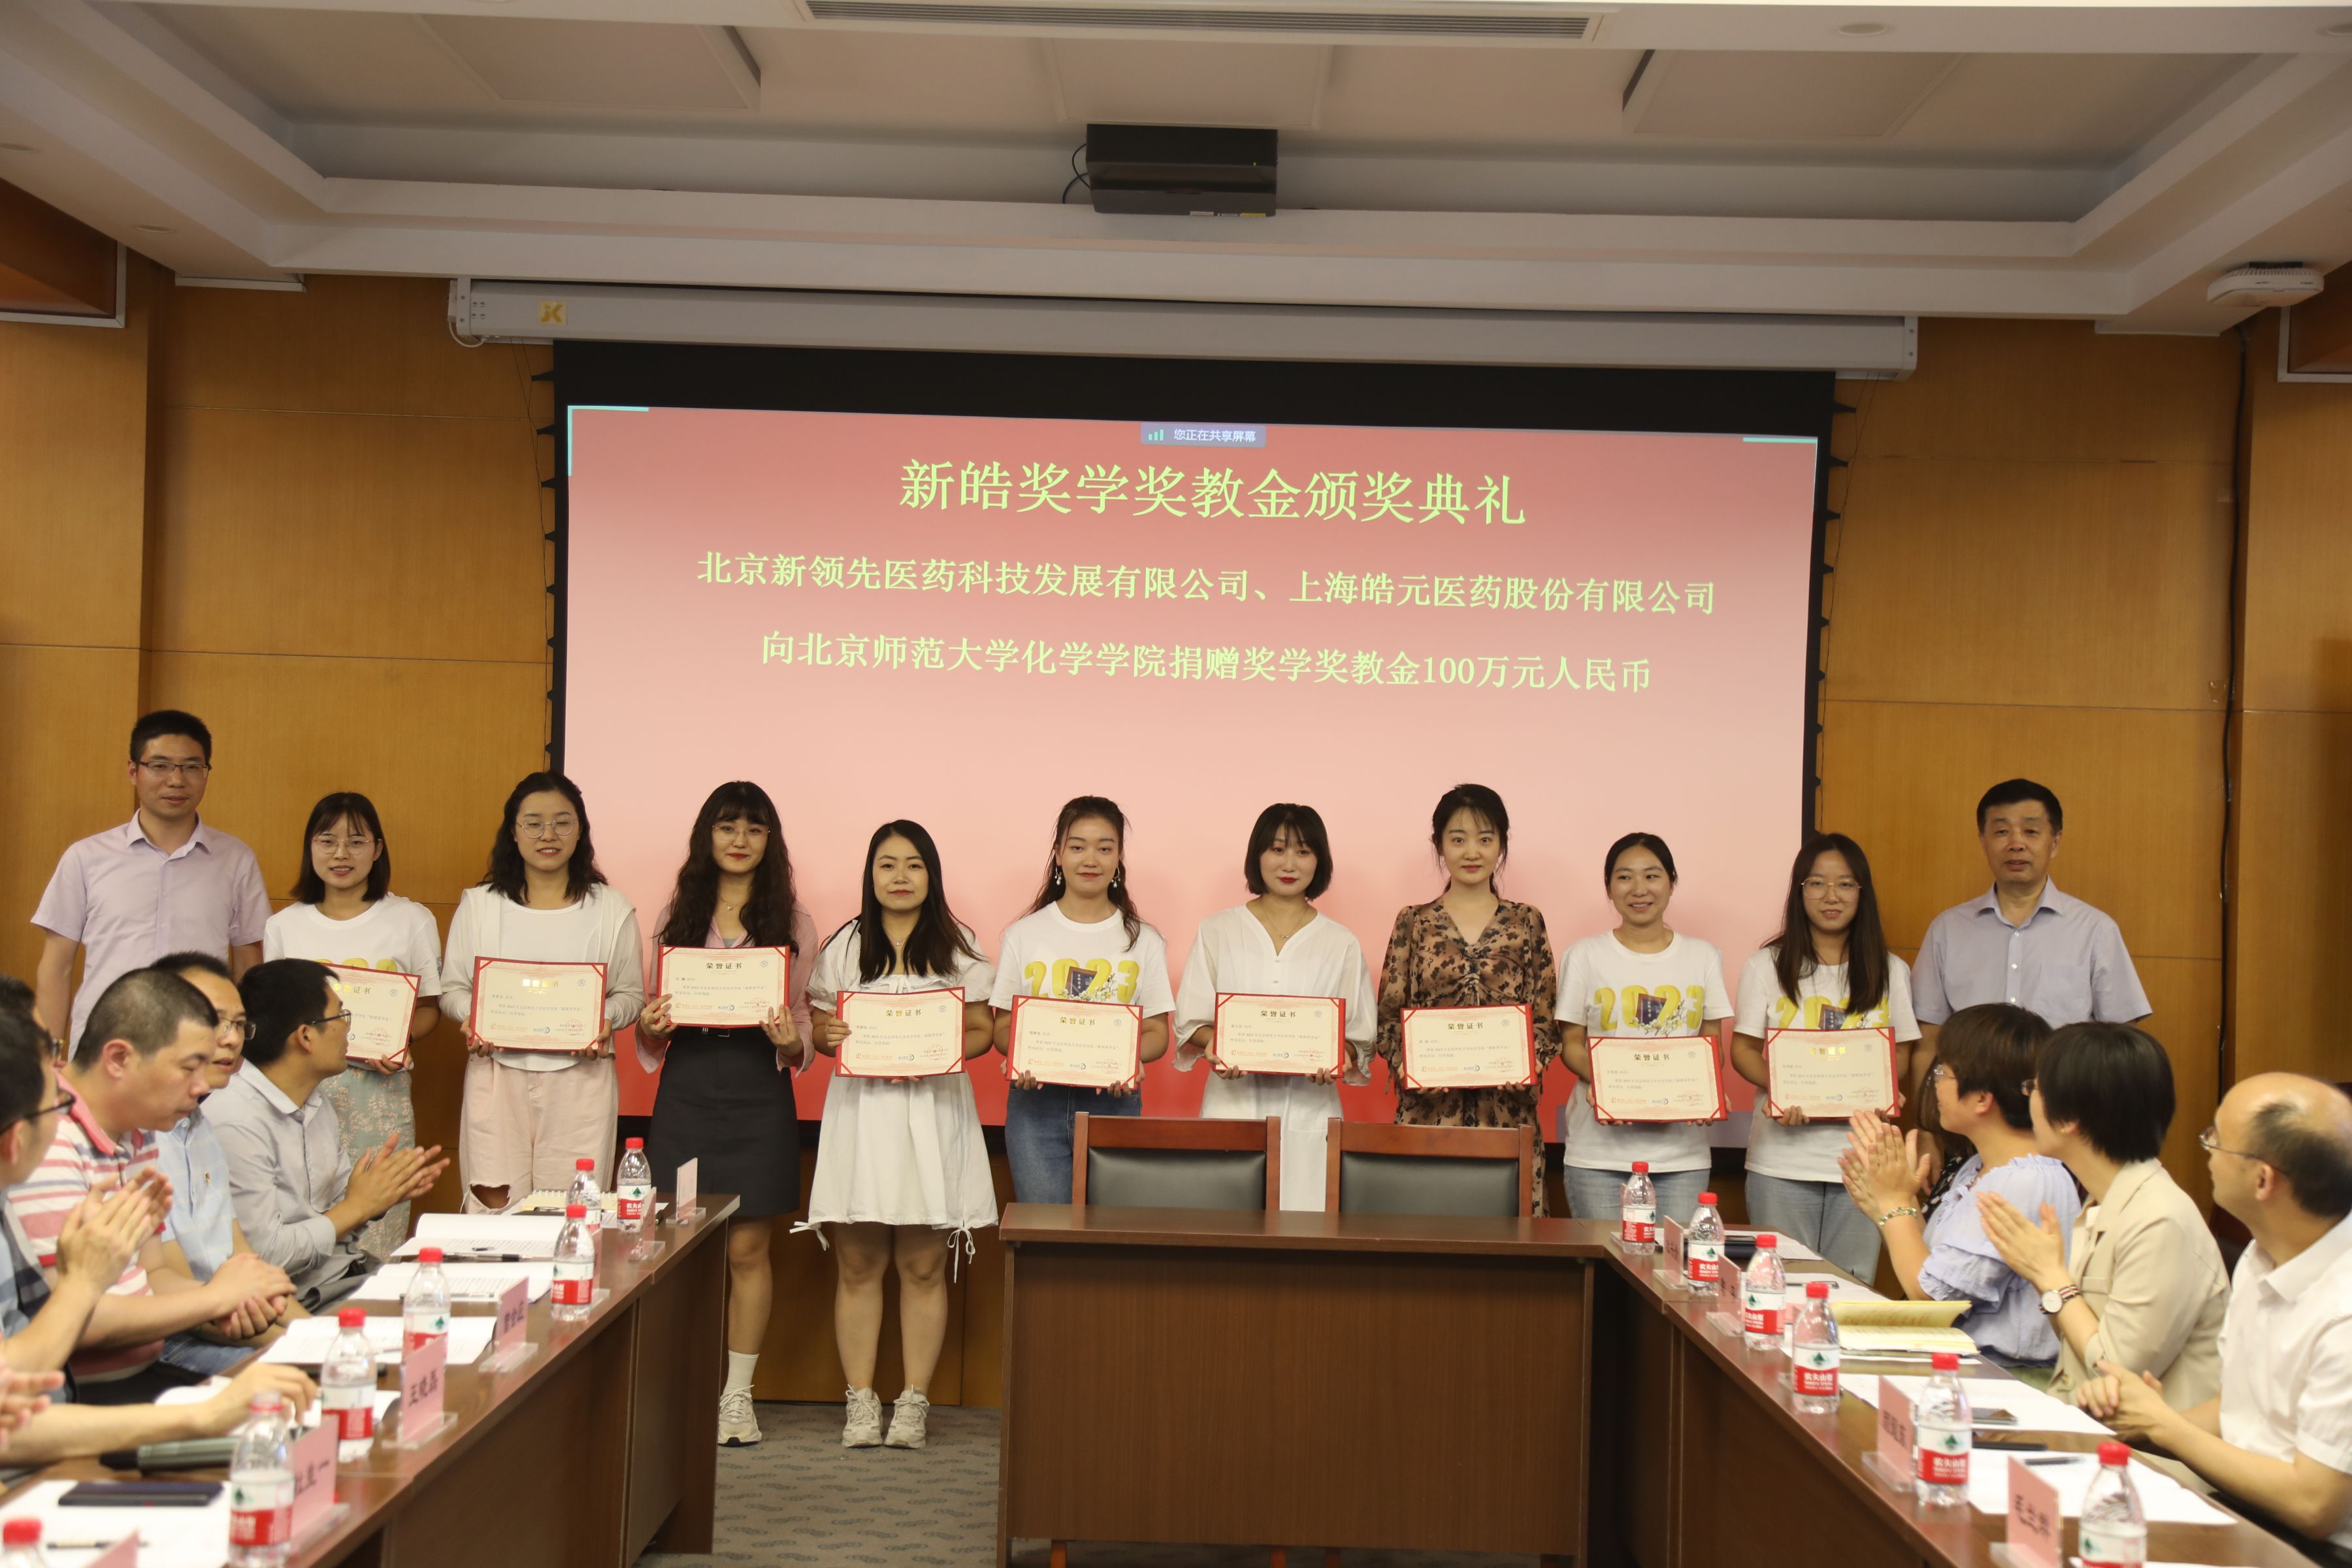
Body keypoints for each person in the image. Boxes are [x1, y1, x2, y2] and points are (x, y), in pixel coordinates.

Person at [0, 996, 317, 1464]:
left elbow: (15, 1408)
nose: (201, 1085)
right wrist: (86, 1283)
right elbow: (19, 1409)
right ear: (15, 1141)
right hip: (86, 1401)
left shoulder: (143, 1132)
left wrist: (226, 1300)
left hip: (75, 1406)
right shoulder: (53, 1156)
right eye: (57, 1102)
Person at [2077, 1075, 2352, 1549]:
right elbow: (2239, 1411)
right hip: (2241, 1512)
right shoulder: (2262, 1256)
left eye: (2215, 1139)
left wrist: (2165, 1426)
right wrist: (2140, 1417)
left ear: (2263, 1179)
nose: (2205, 1148)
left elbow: (2314, 1506)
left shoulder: (2343, 1311)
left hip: (2315, 1549)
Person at [802, 820, 998, 1451]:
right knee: (858, 1263)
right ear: (871, 874)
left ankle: (914, 1403)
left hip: (932, 1110)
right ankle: (861, 1401)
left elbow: (981, 1031)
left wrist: (939, 1050)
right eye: (887, 864)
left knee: (922, 1264)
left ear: (931, 875)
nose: (900, 877)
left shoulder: (960, 945)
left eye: (914, 865)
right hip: (863, 1113)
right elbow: (820, 1029)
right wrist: (829, 1036)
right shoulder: (844, 945)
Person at [635, 781, 812, 1448]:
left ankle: (737, 1398)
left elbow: (802, 1023)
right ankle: (680, 1390)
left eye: (754, 829)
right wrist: (650, 1026)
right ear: (706, 836)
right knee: (681, 1245)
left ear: (771, 841)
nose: (740, 840)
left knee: (748, 1247)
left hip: (757, 1089)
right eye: (727, 827)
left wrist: (790, 1043)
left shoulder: (793, 922)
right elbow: (652, 1023)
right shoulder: (676, 915)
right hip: (686, 1086)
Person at [1976, 1021, 2226, 1407]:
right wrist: (2045, 1279)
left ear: (2068, 1118)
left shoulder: (2160, 1220)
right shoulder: (2103, 1202)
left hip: (2142, 1442)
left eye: (2035, 1088)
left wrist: (2051, 1277)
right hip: (2079, 1418)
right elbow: (2079, 1341)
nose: (2029, 1099)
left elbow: (2114, 1372)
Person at [440, 772, 644, 1213]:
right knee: (492, 1216)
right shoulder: (480, 905)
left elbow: (630, 995)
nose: (548, 835)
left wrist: (604, 1019)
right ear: (513, 832)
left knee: (573, 1215)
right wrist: (474, 1016)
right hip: (496, 1074)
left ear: (580, 830)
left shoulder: (611, 908)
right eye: (533, 823)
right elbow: (453, 989)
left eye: (562, 823)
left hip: (581, 1078)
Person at [1840, 1002, 2079, 1371]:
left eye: (1943, 1072)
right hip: (1963, 1364)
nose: (1934, 1083)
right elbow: (1935, 1265)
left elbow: (1931, 1299)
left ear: (1982, 1098)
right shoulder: (1979, 1166)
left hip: (2006, 1377)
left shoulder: (2024, 1180)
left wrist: (1894, 1203)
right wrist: (1888, 1206)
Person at [1726, 833, 1919, 1279]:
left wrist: (1882, 1091)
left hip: (1864, 1162)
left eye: (1845, 884)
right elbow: (1743, 1050)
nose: (1831, 896)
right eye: (1817, 883)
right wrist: (1783, 1090)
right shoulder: (1765, 966)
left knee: (1852, 1288)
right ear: (1800, 892)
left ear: (1862, 892)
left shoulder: (1891, 970)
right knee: (1780, 1285)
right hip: (1782, 1161)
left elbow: (1902, 1054)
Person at [263, 792, 442, 1259]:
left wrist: (399, 1041)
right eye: (327, 841)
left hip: (379, 1096)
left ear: (378, 849)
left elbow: (429, 1009)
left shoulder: (410, 920)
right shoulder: (284, 926)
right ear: (310, 847)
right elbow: (273, 1018)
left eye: (356, 841)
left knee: (377, 1237)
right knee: (303, 1234)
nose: (341, 854)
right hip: (301, 1097)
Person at [208, 960, 447, 1309]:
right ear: (306, 1036)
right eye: (341, 1016)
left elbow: (340, 1215)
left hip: (344, 1274)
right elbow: (264, 1257)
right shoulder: (236, 1120)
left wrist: (379, 1196)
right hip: (296, 1300)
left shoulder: (316, 1102)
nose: (349, 1028)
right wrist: (358, 1206)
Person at [1173, 804, 1377, 1212]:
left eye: (1303, 851)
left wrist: (1339, 1056)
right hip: (1231, 1103)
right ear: (1257, 855)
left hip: (1311, 1110)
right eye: (1277, 849)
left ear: (1319, 860)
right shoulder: (1217, 930)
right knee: (1227, 1225)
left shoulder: (1340, 942)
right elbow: (1191, 1019)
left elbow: (1359, 1035)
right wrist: (1218, 1045)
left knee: (1308, 1225)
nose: (1289, 864)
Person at [31, 710, 270, 1055]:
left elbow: (249, 968)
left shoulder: (236, 860)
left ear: (206, 772)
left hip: (201, 1050)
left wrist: (243, 1053)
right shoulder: (86, 858)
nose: (177, 780)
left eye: (192, 767)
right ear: (134, 771)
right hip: (104, 1049)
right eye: (160, 766)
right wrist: (49, 1056)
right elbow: (57, 967)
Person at [1375, 784, 1560, 1215]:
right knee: (1424, 1234)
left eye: (1485, 838)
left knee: (1513, 1239)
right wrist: (1409, 1067)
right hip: (1427, 1116)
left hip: (1509, 1118)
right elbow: (1388, 1016)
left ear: (1502, 845)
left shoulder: (1526, 921)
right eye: (1458, 839)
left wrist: (1531, 1063)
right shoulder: (1414, 922)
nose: (1471, 852)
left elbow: (1546, 1014)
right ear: (1439, 845)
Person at [1910, 780, 2150, 1100]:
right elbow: (1928, 1044)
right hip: (1972, 1111)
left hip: (2064, 1109)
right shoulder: (1947, 930)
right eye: (2001, 832)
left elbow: (2120, 1044)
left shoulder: (2095, 931)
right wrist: (1928, 1124)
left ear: (2055, 842)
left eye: (2031, 831)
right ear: (1983, 840)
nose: (2016, 844)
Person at [990, 797, 1175, 1205]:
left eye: (1104, 848)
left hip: (1116, 1102)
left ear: (1119, 858)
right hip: (1035, 1105)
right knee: (1045, 1231)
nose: (1090, 859)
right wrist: (1021, 1055)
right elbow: (1002, 1026)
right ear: (1058, 854)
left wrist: (1128, 1060)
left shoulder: (1144, 939)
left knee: (1111, 1233)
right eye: (1077, 847)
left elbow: (1158, 1033)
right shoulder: (1023, 935)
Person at [1553, 832, 1727, 1226]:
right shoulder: (1584, 955)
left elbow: (1711, 1044)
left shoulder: (1703, 956)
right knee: (1604, 1264)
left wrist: (1707, 1089)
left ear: (1671, 882)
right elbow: (1571, 1044)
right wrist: (1610, 1087)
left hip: (1682, 1157)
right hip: (1598, 1154)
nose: (1639, 889)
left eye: (1652, 876)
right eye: (1624, 877)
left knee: (1673, 1263)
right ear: (1609, 888)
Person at [150, 953, 302, 1372]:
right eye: (216, 1022)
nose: (232, 1039)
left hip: (226, 1319)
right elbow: (185, 1303)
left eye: (238, 1024)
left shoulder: (200, 1125)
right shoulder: (143, 1133)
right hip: (173, 1337)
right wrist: (304, 1348)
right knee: (298, 1376)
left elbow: (243, 1259)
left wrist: (319, 1338)